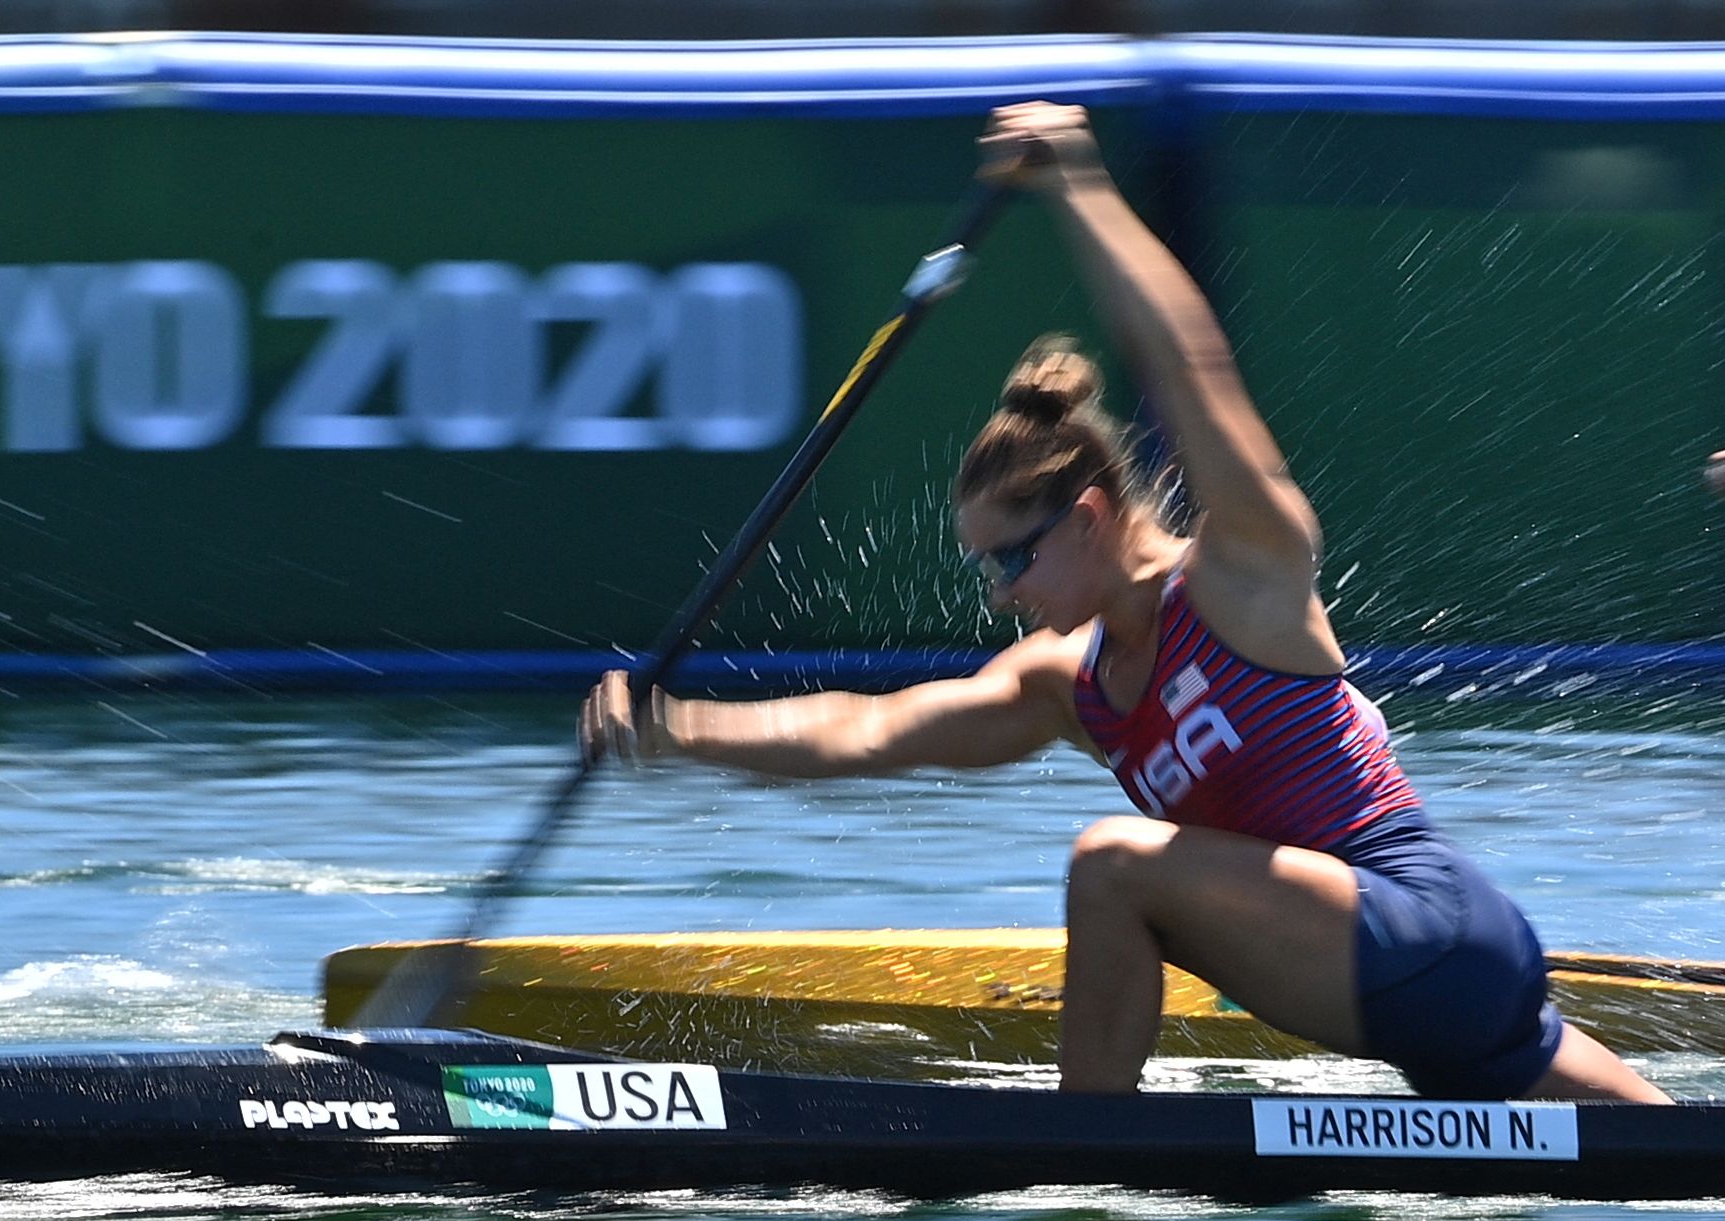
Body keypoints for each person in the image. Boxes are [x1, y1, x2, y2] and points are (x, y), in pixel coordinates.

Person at [578, 101, 1667, 1103]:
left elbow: (1188, 364)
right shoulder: (1069, 682)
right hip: (1432, 998)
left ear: (1091, 516)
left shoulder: (1242, 577)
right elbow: (868, 730)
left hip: (1430, 932)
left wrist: (1080, 188)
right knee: (1677, 1158)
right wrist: (671, 733)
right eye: (984, 573)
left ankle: (1081, 1146)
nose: (1002, 597)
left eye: (1012, 562)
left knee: (1110, 862)